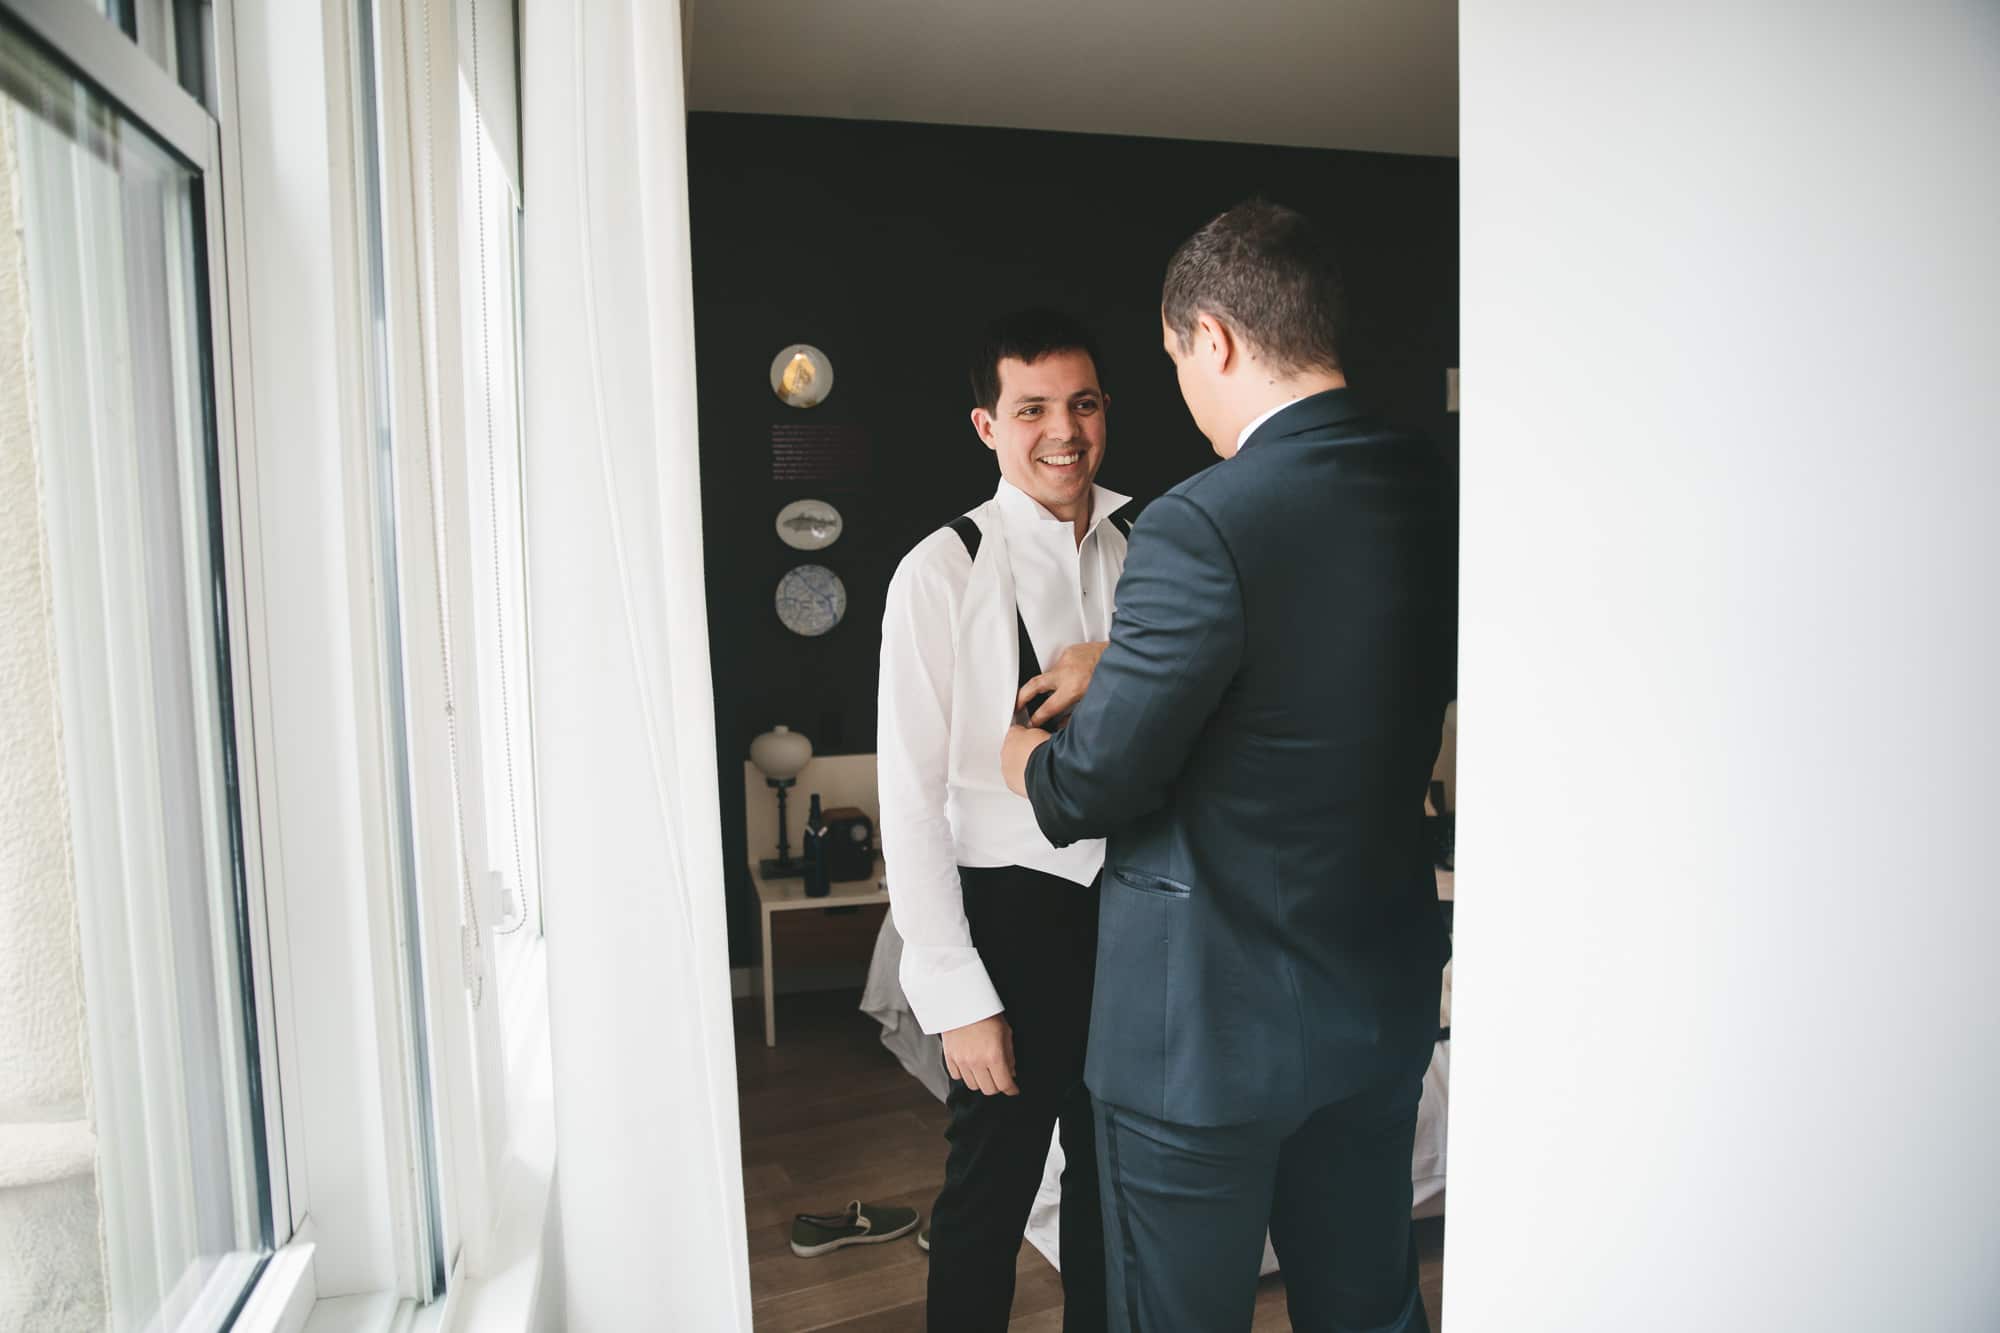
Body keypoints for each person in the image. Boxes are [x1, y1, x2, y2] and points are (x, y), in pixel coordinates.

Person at [1001, 200, 1452, 1332]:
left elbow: (1093, 788)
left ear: (1215, 339)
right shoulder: (1433, 488)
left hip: (1201, 1032)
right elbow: (1317, 664)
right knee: (1366, 1305)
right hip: (1374, 999)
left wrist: (1024, 759)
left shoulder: (1198, 523)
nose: (1181, 390)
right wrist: (1132, 656)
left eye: (1170, 360)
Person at [879, 309, 1135, 1332]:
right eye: (1031, 409)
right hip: (1007, 920)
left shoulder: (1153, 546)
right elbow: (907, 793)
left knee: (1114, 1195)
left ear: (1104, 411)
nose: (1061, 432)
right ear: (987, 425)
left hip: (1134, 912)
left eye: (1080, 404)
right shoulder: (937, 572)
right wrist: (955, 992)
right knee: (987, 1197)